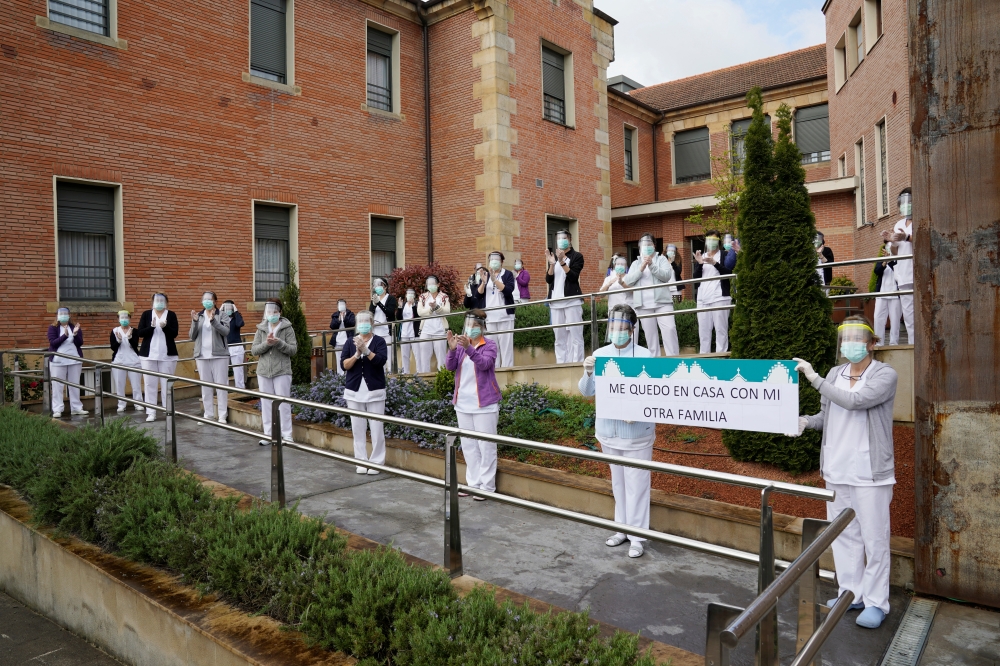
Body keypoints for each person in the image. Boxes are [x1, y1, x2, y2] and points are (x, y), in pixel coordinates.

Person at [791, 316, 898, 629]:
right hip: (837, 469)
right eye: (845, 336)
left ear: (872, 343)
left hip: (870, 472)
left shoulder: (885, 374)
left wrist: (814, 379)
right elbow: (828, 414)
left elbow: (856, 402)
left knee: (875, 538)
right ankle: (851, 593)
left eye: (857, 336)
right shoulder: (836, 373)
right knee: (844, 536)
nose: (849, 343)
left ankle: (877, 602)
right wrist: (806, 421)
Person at [579, 304, 655, 559]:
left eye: (623, 327)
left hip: (637, 434)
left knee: (637, 484)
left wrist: (638, 410)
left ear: (632, 330)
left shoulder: (645, 356)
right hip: (609, 432)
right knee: (619, 483)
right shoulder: (600, 354)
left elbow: (654, 395)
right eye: (614, 326)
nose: (618, 331)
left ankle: (637, 537)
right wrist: (588, 372)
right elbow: (587, 391)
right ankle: (621, 529)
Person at [446, 310, 501, 500]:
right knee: (469, 446)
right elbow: (450, 367)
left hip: (484, 404)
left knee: (486, 446)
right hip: (463, 403)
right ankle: (473, 483)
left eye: (475, 326)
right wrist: (452, 350)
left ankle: (487, 486)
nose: (471, 329)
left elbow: (485, 364)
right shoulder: (460, 346)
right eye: (469, 325)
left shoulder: (490, 345)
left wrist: (469, 347)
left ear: (483, 328)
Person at [341, 310, 387, 474]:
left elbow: (381, 361)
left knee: (376, 428)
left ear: (372, 323)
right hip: (354, 392)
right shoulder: (349, 342)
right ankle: (361, 461)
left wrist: (366, 351)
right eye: (360, 322)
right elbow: (344, 365)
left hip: (375, 391)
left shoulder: (379, 341)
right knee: (357, 429)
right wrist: (357, 354)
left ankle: (376, 462)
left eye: (366, 322)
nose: (363, 325)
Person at [624, 233, 679, 357]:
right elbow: (628, 281)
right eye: (644, 244)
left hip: (662, 303)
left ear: (654, 245)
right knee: (651, 337)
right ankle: (655, 362)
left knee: (669, 330)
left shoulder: (662, 259)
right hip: (643, 306)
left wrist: (652, 266)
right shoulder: (635, 263)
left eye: (649, 244)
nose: (647, 246)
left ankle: (674, 358)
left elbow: (666, 276)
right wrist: (641, 268)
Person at [251, 299, 297, 446]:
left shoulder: (287, 328)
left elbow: (293, 350)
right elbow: (254, 350)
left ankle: (287, 434)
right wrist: (267, 343)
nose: (272, 314)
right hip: (264, 371)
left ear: (280, 312)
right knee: (266, 403)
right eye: (269, 311)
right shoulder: (261, 328)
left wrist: (279, 343)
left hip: (282, 370)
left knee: (283, 402)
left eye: (275, 311)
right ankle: (268, 434)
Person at [190, 291, 231, 424]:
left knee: (221, 385)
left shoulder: (222, 314)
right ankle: (208, 414)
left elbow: (226, 332)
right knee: (206, 386)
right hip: (202, 355)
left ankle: (222, 415)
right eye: (204, 299)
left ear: (215, 301)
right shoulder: (199, 316)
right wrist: (195, 322)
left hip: (219, 355)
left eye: (210, 299)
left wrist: (213, 321)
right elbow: (192, 336)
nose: (207, 301)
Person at [693, 230, 737, 354]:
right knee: (704, 332)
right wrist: (700, 263)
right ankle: (704, 359)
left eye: (714, 239)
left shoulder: (724, 255)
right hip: (703, 299)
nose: (711, 242)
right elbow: (695, 278)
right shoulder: (702, 255)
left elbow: (728, 273)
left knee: (721, 331)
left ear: (718, 241)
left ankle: (720, 358)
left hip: (720, 298)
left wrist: (715, 263)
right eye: (709, 239)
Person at [545, 229, 585, 363]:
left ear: (569, 240)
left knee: (575, 336)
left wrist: (562, 262)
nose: (561, 241)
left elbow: (573, 277)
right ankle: (561, 364)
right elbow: (548, 280)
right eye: (558, 238)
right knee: (559, 337)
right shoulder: (554, 258)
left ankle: (577, 364)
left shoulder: (577, 256)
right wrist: (552, 264)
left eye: (563, 238)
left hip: (572, 301)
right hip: (556, 302)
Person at [137, 293, 179, 422]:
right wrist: (152, 327)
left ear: (166, 302)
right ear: (152, 302)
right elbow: (140, 332)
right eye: (157, 300)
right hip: (148, 356)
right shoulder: (146, 314)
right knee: (150, 384)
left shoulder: (171, 315)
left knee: (167, 384)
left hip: (167, 355)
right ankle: (151, 412)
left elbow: (174, 333)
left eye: (162, 300)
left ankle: (168, 410)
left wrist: (165, 327)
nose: (159, 302)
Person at [883, 188, 914, 345]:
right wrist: (891, 241)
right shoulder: (899, 223)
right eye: (902, 203)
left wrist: (906, 237)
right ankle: (912, 344)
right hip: (903, 275)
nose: (905, 206)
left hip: (918, 273)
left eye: (908, 202)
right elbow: (895, 252)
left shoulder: (923, 218)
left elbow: (925, 237)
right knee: (909, 316)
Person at [47, 307, 87, 417]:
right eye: (61, 313)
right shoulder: (53, 328)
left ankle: (76, 408)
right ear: (57, 316)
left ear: (69, 315)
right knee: (57, 386)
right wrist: (65, 336)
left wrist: (75, 334)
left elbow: (80, 343)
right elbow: (53, 343)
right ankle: (57, 409)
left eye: (66, 313)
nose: (64, 315)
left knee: (74, 385)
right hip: (58, 361)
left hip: (74, 360)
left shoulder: (74, 327)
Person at [481, 251, 516, 368]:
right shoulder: (485, 275)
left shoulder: (507, 274)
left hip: (505, 316)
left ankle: (508, 372)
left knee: (506, 348)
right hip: (490, 317)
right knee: (492, 348)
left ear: (501, 262)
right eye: (491, 259)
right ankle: (493, 373)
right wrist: (483, 282)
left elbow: (508, 291)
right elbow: (479, 294)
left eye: (496, 259)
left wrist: (495, 280)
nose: (494, 262)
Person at [109, 310, 142, 413]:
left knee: (136, 385)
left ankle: (139, 404)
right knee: (120, 385)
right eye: (122, 318)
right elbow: (113, 347)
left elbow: (135, 345)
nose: (124, 320)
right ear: (118, 319)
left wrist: (130, 337)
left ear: (129, 318)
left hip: (134, 362)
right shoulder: (114, 331)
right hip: (119, 362)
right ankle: (121, 405)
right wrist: (118, 340)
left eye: (126, 318)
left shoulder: (134, 331)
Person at [416, 275, 450, 373]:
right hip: (426, 330)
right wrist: (431, 309)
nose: (431, 286)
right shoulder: (423, 297)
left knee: (441, 356)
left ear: (438, 284)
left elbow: (447, 311)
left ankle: (442, 379)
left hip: (440, 330)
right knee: (424, 357)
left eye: (433, 283)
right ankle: (424, 381)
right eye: (429, 284)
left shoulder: (444, 297)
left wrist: (437, 307)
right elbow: (420, 312)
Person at [872, 247, 901, 346]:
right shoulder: (882, 259)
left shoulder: (899, 258)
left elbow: (899, 271)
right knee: (878, 317)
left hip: (895, 294)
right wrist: (885, 261)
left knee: (895, 319)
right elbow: (877, 271)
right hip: (882, 292)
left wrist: (890, 261)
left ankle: (894, 343)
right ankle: (878, 343)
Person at [222, 300, 246, 389]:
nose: (228, 309)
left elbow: (240, 324)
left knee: (238, 370)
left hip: (236, 347)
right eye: (226, 307)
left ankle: (240, 389)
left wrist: (236, 312)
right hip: (224, 347)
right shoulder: (222, 318)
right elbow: (215, 324)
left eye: (230, 307)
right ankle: (224, 389)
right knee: (224, 371)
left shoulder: (236, 318)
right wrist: (220, 311)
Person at [396, 288, 420, 374]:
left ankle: (419, 372)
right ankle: (405, 372)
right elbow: (398, 318)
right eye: (408, 293)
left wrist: (413, 305)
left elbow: (417, 316)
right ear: (406, 295)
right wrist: (399, 307)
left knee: (417, 354)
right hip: (404, 333)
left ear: (414, 295)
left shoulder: (417, 304)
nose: (410, 295)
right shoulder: (403, 304)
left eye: (412, 293)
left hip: (414, 333)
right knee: (404, 355)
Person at [369, 277, 397, 353]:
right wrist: (374, 304)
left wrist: (379, 303)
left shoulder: (390, 298)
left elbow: (390, 312)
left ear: (385, 287)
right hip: (376, 332)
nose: (378, 287)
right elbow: (370, 314)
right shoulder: (375, 298)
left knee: (388, 355)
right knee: (377, 356)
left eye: (380, 285)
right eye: (377, 286)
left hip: (386, 332)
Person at [330, 299, 355, 377]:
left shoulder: (350, 314)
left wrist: (345, 318)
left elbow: (352, 323)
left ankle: (349, 374)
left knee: (349, 358)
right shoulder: (335, 315)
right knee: (339, 359)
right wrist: (339, 320)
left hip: (348, 340)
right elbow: (332, 326)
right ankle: (340, 376)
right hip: (338, 341)